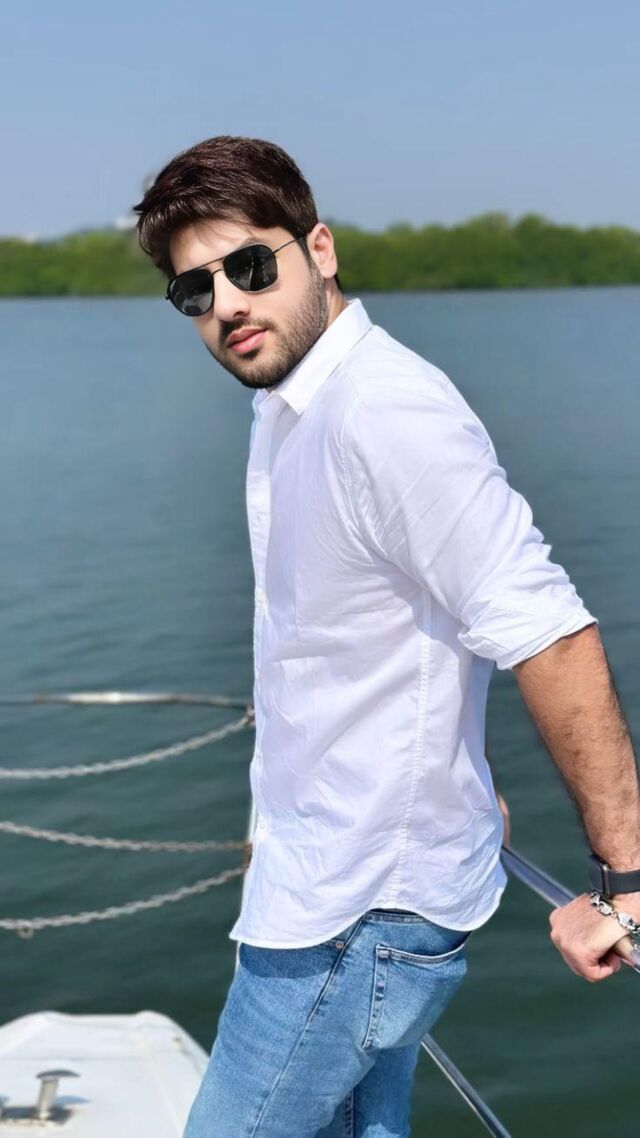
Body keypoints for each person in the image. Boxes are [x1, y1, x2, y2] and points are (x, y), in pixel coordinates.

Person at [133, 136, 640, 1138]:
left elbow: (548, 632)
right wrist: (441, 765)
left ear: (319, 249)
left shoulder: (384, 412)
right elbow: (379, 628)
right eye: (195, 290)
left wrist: (624, 881)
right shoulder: (293, 405)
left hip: (353, 920)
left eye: (249, 266)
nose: (226, 304)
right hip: (333, 882)